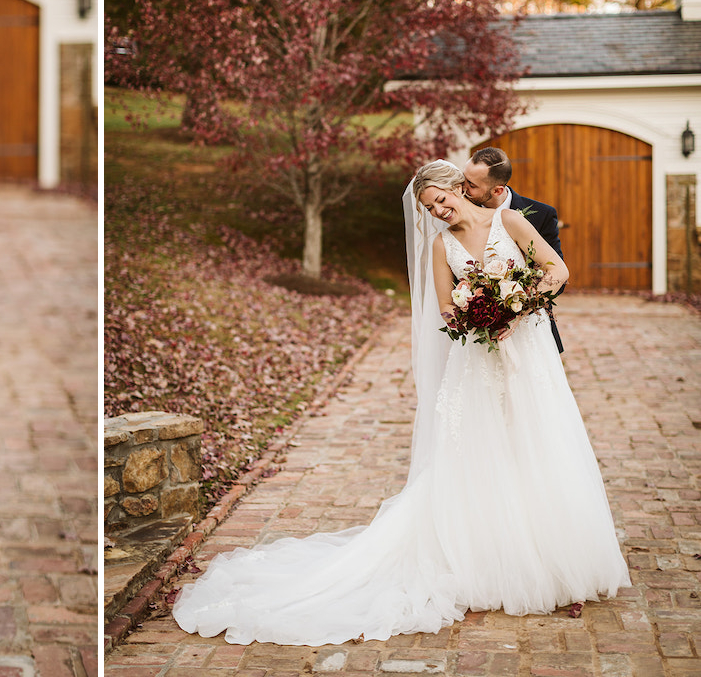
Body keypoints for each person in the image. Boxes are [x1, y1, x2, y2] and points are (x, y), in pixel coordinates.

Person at [171, 160, 629, 647]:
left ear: (459, 188)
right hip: (476, 361)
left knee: (539, 442)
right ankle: (485, 559)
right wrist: (473, 311)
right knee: (480, 452)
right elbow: (447, 306)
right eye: (430, 208)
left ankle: (558, 561)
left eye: (442, 199)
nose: (440, 210)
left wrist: (516, 306)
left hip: (529, 354)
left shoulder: (510, 222)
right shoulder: (440, 245)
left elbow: (557, 270)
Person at [462, 146, 563, 351]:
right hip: (475, 335)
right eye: (463, 179)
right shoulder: (458, 213)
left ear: (497, 190)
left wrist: (514, 308)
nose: (463, 189)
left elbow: (557, 278)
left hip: (528, 331)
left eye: (471, 185)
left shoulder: (541, 215)